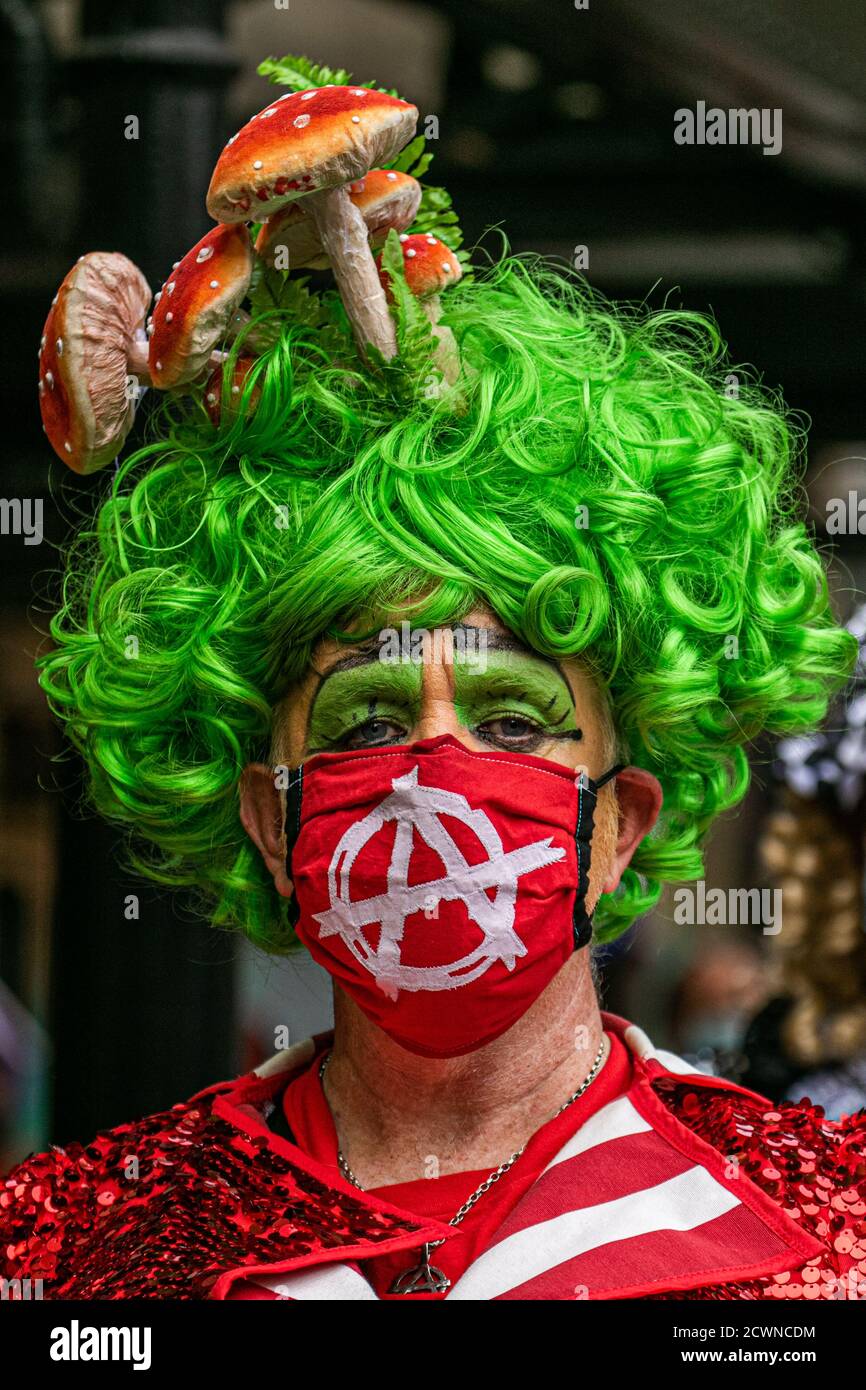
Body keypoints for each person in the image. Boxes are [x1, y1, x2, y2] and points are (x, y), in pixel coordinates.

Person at [3, 55, 864, 1302]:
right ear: (266, 812)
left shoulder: (823, 1234)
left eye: (516, 715)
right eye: (364, 717)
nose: (436, 771)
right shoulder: (73, 1259)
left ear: (621, 822)